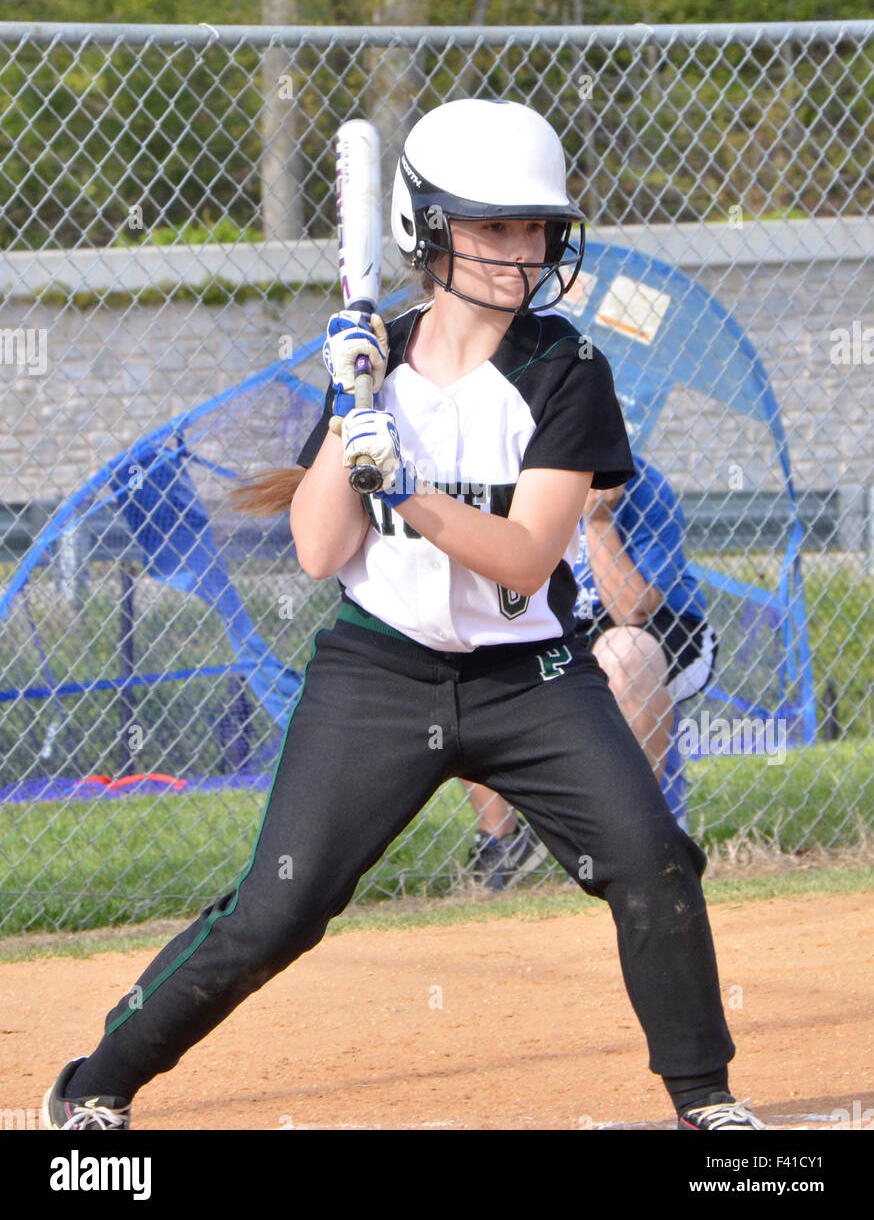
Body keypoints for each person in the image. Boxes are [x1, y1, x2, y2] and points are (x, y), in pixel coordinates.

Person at [40, 98, 764, 1131]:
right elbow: (320, 549)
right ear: (427, 231)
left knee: (651, 860)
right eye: (493, 227)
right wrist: (350, 420)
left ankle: (705, 1104)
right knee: (280, 907)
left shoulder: (570, 372)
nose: (523, 252)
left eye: (536, 229)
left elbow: (522, 556)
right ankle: (94, 1082)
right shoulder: (370, 359)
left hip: (533, 677)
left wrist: (411, 489)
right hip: (377, 672)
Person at [465, 457, 717, 886]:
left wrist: (598, 520)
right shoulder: (504, 478)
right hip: (564, 628)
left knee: (622, 653)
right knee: (466, 656)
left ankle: (635, 840)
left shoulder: (637, 483)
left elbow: (632, 609)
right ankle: (503, 841)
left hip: (660, 628)